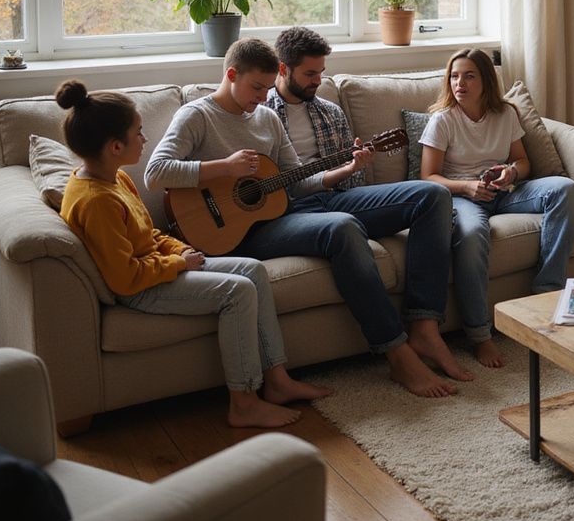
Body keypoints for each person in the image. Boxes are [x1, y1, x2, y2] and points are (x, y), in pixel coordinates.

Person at [145, 36, 470, 398]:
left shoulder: (266, 118)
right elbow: (155, 172)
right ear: (231, 74)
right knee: (343, 228)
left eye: (267, 88)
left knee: (433, 195)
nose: (260, 97)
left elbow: (296, 181)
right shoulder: (197, 115)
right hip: (241, 234)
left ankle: (425, 327)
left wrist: (345, 169)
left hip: (293, 209)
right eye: (256, 87)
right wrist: (224, 167)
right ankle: (397, 353)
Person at [55, 79, 330, 429]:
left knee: (253, 271)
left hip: (158, 268)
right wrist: (176, 264)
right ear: (114, 146)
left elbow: (148, 233)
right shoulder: (96, 200)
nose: (145, 139)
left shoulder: (116, 179)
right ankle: (244, 402)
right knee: (238, 291)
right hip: (140, 289)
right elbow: (125, 276)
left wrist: (181, 249)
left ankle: (277, 380)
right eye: (138, 133)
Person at [419, 48, 574, 367]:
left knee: (565, 188)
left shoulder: (505, 113)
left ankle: (546, 293)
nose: (459, 83)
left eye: (468, 75)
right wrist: (467, 186)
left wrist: (511, 171)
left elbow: (522, 161)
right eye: (454, 76)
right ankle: (480, 335)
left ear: (485, 80)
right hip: (461, 197)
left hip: (503, 191)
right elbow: (428, 177)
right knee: (473, 235)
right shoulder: (442, 120)